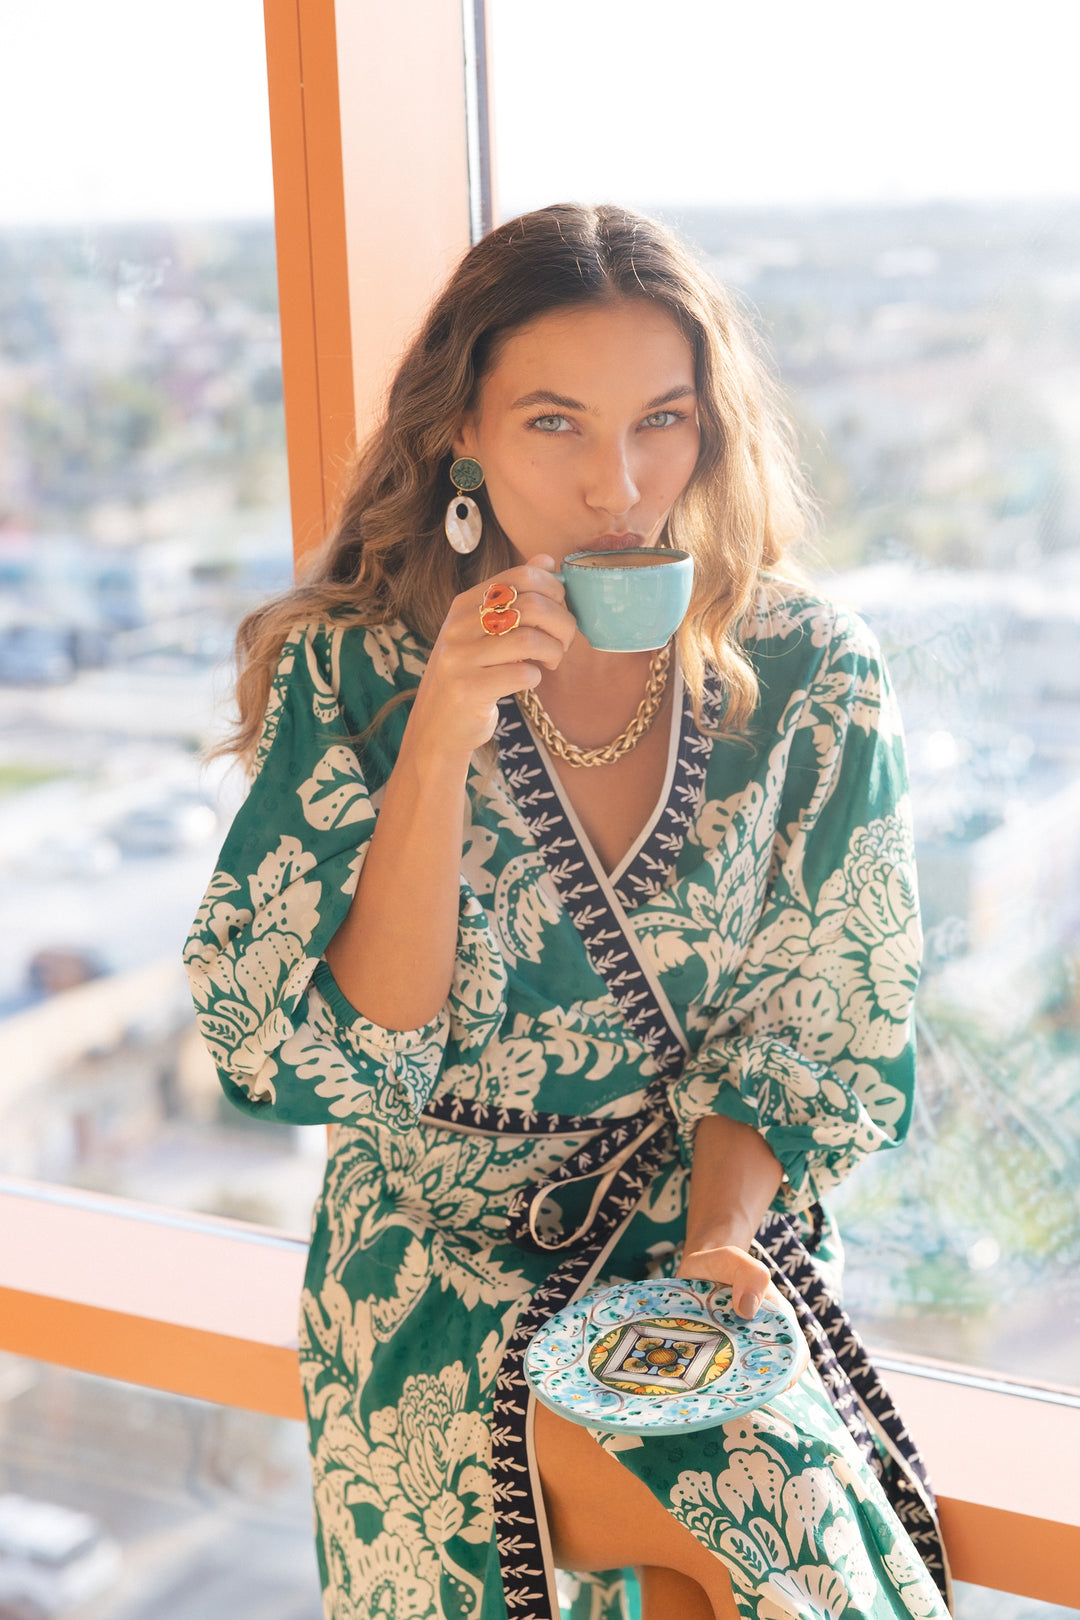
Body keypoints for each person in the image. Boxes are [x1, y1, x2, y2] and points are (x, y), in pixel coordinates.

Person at [184, 204, 951, 1620]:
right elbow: (309, 1055)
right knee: (771, 1525)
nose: (620, 483)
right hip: (437, 1278)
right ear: (462, 431)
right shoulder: (350, 676)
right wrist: (437, 741)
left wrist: (725, 1239)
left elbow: (821, 1024)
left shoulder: (810, 680)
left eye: (662, 419)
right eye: (556, 424)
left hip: (698, 1276)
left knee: (781, 1534)